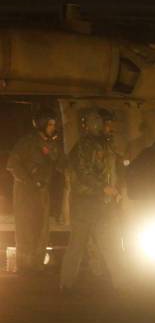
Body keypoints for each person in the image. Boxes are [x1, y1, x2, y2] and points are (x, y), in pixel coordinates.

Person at [60, 108, 126, 293]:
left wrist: (114, 189)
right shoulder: (84, 146)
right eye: (107, 124)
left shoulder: (105, 146)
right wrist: (104, 188)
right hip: (85, 206)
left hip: (101, 205)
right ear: (95, 124)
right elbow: (83, 173)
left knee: (110, 244)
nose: (110, 128)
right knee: (78, 246)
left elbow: (110, 172)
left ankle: (122, 284)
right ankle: (66, 284)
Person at [6, 107, 65, 276]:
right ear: (41, 125)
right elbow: (12, 165)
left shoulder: (53, 145)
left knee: (42, 229)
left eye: (54, 124)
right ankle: (24, 267)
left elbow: (61, 164)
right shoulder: (27, 142)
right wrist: (31, 181)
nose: (53, 127)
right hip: (25, 193)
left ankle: (37, 265)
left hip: (42, 193)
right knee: (26, 228)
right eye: (50, 124)